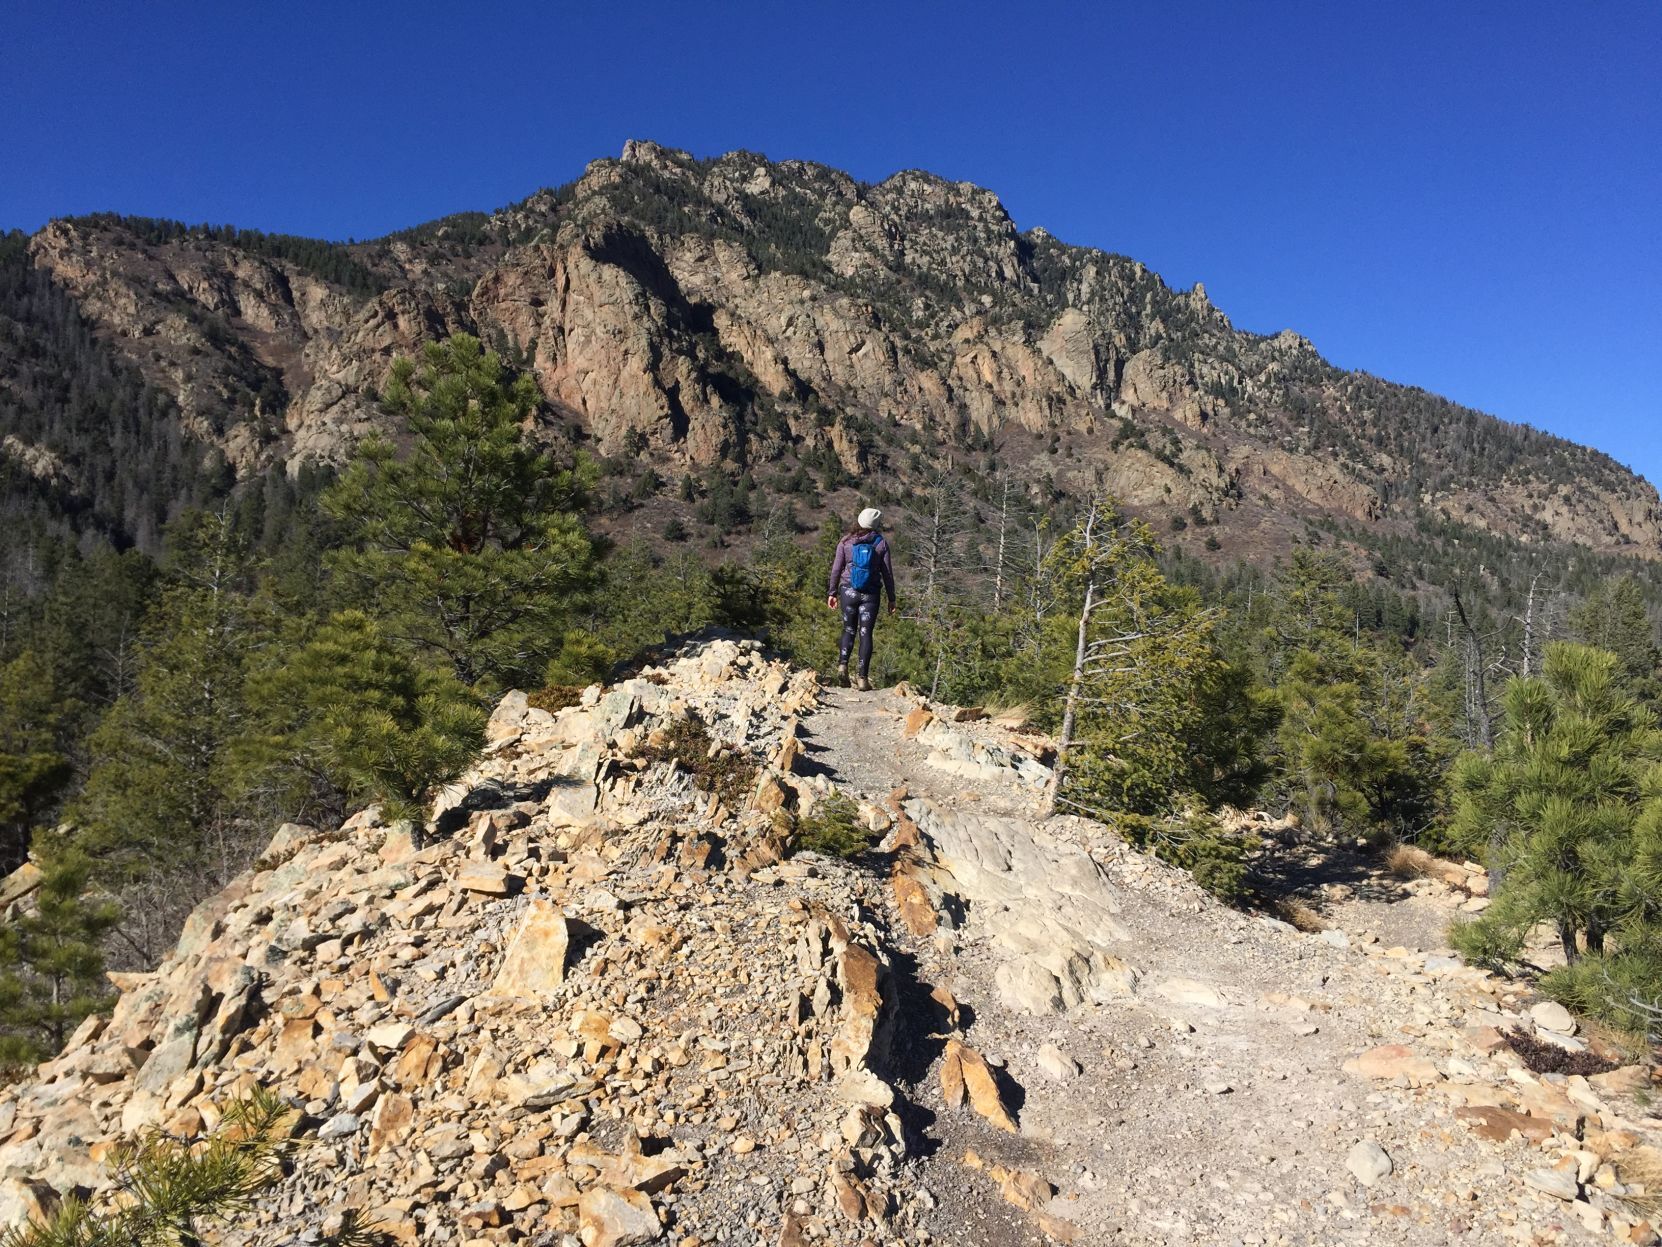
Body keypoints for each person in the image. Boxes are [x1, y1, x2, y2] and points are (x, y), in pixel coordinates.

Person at [827, 506, 897, 690]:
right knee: (865, 633)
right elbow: (887, 573)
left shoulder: (846, 541)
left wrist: (832, 592)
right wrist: (892, 598)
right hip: (871, 594)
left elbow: (836, 569)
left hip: (848, 591)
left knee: (848, 628)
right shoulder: (880, 543)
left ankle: (842, 665)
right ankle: (862, 679)